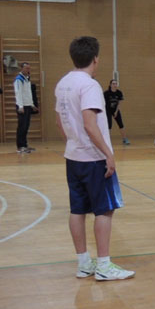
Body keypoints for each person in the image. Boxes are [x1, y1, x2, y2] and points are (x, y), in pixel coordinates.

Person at [54, 36, 133, 281]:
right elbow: (90, 124)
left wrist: (74, 143)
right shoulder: (90, 86)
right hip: (94, 159)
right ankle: (104, 266)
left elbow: (60, 122)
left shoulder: (63, 83)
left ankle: (84, 264)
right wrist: (108, 154)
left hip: (73, 157)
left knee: (77, 210)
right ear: (95, 59)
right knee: (104, 211)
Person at [13, 61, 36, 153]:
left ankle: (25, 145)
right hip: (22, 106)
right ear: (21, 68)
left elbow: (28, 93)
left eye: (29, 68)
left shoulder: (27, 78)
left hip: (28, 105)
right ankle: (20, 146)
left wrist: (32, 104)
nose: (28, 70)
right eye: (26, 68)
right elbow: (18, 93)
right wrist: (20, 106)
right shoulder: (19, 79)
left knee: (26, 126)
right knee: (22, 127)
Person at [103, 80, 130, 145]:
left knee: (121, 124)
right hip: (108, 110)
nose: (115, 85)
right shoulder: (106, 93)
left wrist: (116, 111)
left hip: (116, 110)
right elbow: (103, 102)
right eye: (113, 84)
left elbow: (119, 103)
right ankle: (107, 140)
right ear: (110, 85)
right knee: (109, 125)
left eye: (115, 84)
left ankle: (125, 139)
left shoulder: (119, 93)